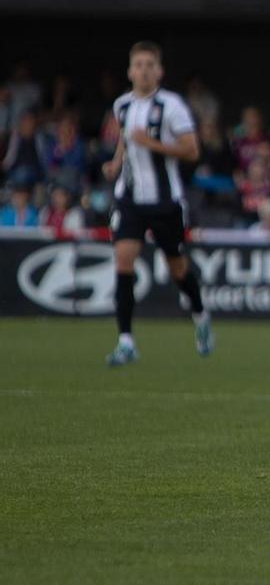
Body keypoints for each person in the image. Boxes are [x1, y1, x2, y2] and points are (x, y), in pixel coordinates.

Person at [101, 41, 214, 366]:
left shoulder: (172, 106)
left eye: (150, 64)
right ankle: (125, 341)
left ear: (159, 71)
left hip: (165, 201)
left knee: (176, 266)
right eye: (139, 64)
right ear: (130, 71)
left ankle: (200, 314)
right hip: (130, 198)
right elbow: (125, 138)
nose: (144, 70)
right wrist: (115, 163)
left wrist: (151, 143)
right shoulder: (121, 104)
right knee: (124, 261)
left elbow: (191, 150)